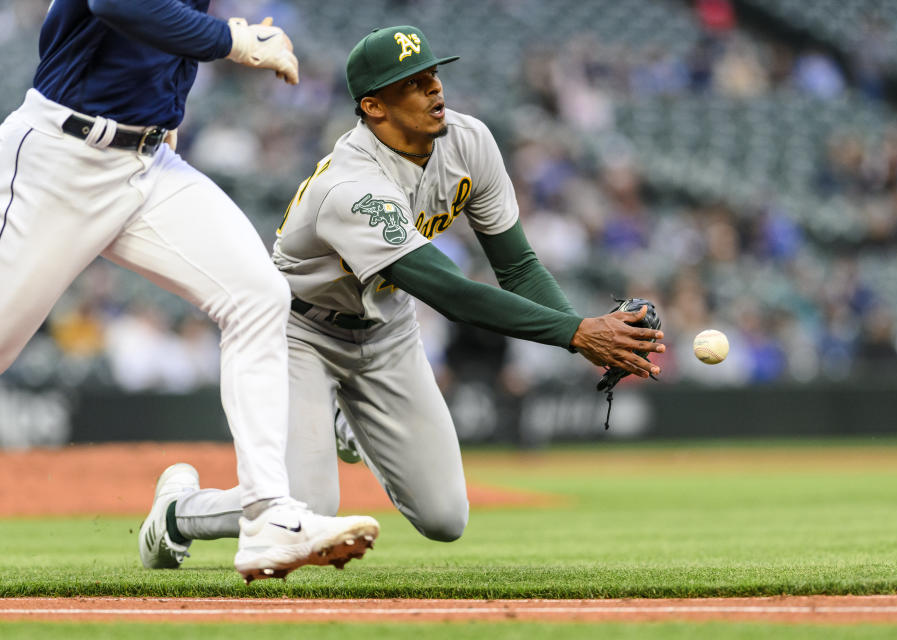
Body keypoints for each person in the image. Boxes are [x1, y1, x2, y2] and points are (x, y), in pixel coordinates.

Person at [146, 25, 664, 554]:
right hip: (299, 332)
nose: (435, 90)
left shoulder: (470, 141)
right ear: (374, 107)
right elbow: (451, 294)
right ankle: (178, 514)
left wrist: (593, 335)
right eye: (413, 84)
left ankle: (351, 422)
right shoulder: (352, 188)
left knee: (446, 517)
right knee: (307, 509)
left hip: (387, 330)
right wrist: (578, 333)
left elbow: (519, 267)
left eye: (433, 75)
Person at [0, 0, 379, 584]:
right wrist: (235, 40)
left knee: (258, 296)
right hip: (59, 158)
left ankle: (267, 517)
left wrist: (167, 100)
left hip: (146, 163)